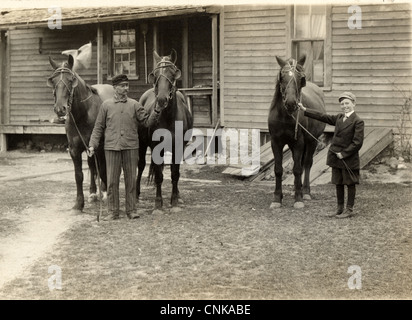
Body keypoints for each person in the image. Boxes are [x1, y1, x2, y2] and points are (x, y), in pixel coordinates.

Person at [88, 74, 164, 221]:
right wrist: (92, 144)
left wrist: (156, 111)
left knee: (131, 180)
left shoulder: (135, 105)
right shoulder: (106, 106)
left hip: (130, 147)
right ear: (115, 88)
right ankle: (113, 212)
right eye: (123, 86)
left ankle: (131, 210)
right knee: (111, 181)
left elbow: (147, 122)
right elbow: (98, 127)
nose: (126, 88)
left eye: (127, 85)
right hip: (111, 147)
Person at [297, 92, 364, 218]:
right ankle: (339, 208)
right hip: (336, 157)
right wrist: (305, 110)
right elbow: (323, 116)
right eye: (342, 104)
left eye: (347, 103)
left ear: (353, 104)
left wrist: (344, 154)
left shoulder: (358, 121)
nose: (344, 106)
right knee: (338, 182)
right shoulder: (339, 118)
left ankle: (349, 209)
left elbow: (357, 143)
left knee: (350, 183)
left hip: (348, 158)